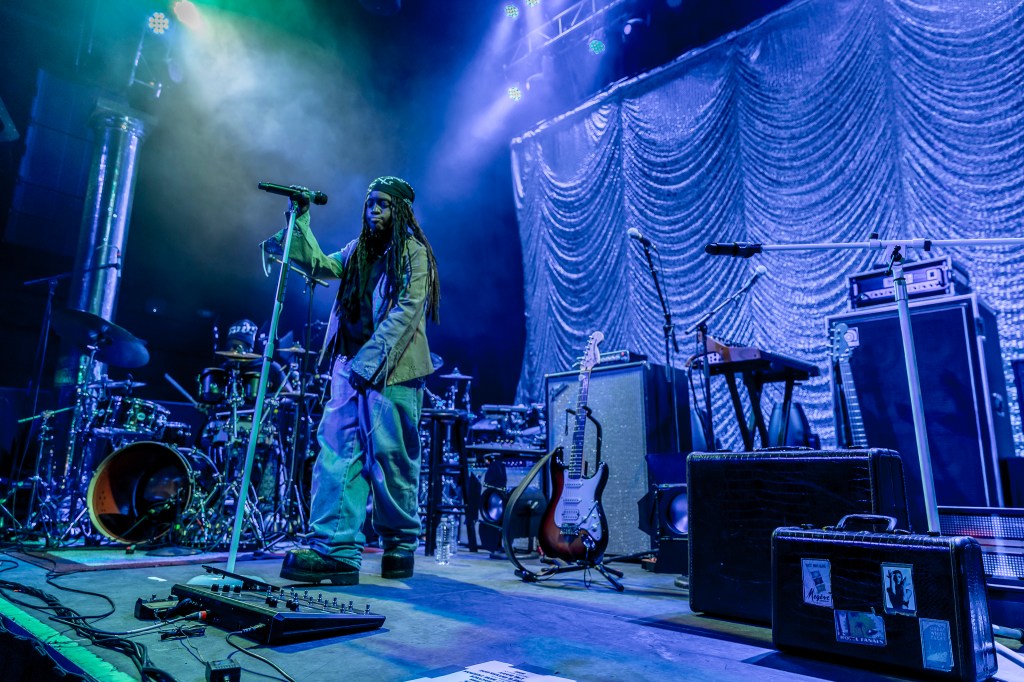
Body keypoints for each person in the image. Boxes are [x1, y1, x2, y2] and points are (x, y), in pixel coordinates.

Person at [275, 176, 440, 585]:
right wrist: (300, 222)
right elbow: (320, 265)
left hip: (392, 369)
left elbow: (407, 310)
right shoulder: (356, 251)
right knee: (335, 454)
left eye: (383, 205)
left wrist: (369, 363)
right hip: (349, 366)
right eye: (370, 204)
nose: (374, 211)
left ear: (400, 210)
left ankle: (399, 545)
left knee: (390, 459)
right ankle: (335, 549)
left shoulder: (414, 253)